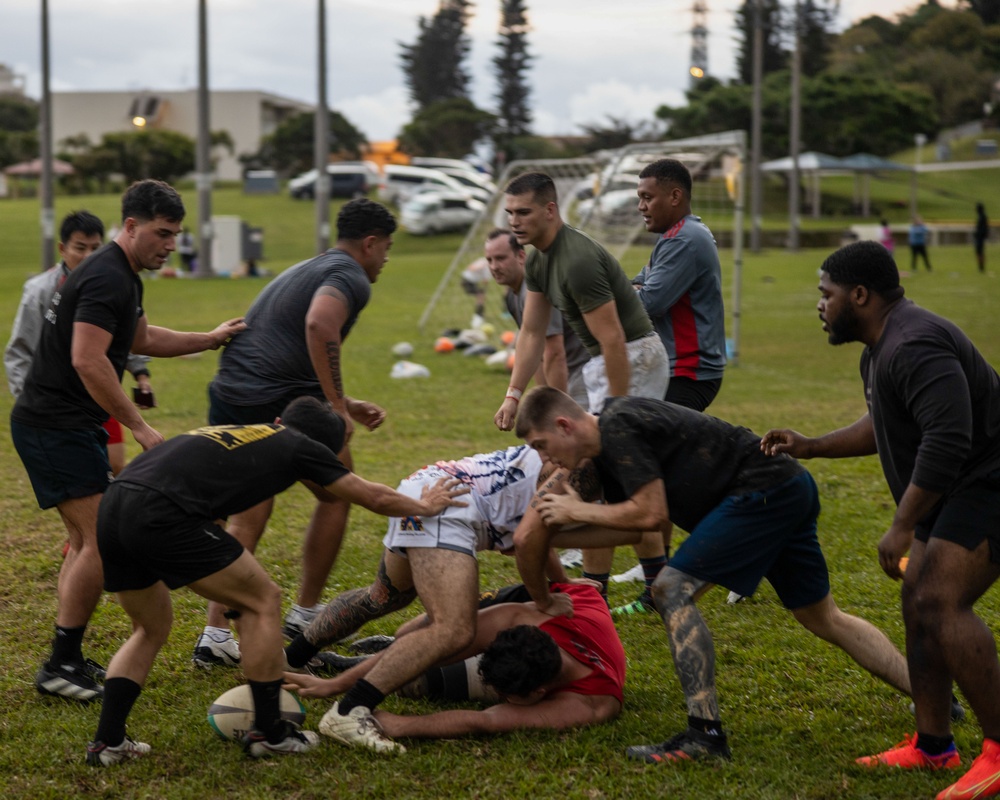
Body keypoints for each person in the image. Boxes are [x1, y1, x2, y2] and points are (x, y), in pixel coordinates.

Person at [513, 387, 915, 765]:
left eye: (541, 446)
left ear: (564, 425)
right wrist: (558, 531)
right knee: (822, 617)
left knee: (669, 590)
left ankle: (704, 735)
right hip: (786, 486)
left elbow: (650, 512)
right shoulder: (606, 446)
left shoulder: (619, 427)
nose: (547, 461)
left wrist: (576, 512)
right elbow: (633, 529)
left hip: (761, 491)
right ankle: (930, 695)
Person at [85, 396, 469, 766]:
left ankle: (108, 742)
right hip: (162, 513)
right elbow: (372, 496)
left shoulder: (248, 430)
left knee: (149, 630)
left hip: (115, 507)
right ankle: (271, 734)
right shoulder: (302, 445)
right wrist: (425, 505)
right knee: (264, 600)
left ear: (283, 420)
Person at [760, 240, 1000, 800]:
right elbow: (887, 423)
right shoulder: (881, 349)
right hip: (965, 484)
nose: (820, 305)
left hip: (989, 481)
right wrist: (812, 445)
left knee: (940, 599)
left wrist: (902, 525)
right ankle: (934, 746)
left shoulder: (914, 344)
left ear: (860, 295)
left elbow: (948, 438)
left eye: (827, 294)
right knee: (917, 598)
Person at [9, 180, 246, 704]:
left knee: (85, 539)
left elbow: (139, 340)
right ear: (132, 226)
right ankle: (59, 662)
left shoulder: (121, 276)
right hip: (54, 426)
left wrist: (207, 338)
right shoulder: (107, 278)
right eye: (162, 234)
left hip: (65, 424)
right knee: (101, 539)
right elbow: (87, 358)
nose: (169, 245)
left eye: (176, 235)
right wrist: (138, 426)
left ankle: (65, 655)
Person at [197, 198, 396, 667]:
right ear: (368, 244)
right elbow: (318, 324)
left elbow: (285, 349)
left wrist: (345, 402)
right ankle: (304, 613)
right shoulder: (350, 277)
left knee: (248, 514)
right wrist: (332, 405)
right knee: (337, 492)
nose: (386, 257)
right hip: (268, 400)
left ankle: (215, 634)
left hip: (233, 389)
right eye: (386, 248)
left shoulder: (314, 266)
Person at [281, 442, 574, 753]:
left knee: (384, 597)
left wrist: (563, 581)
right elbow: (529, 539)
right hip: (448, 506)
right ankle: (348, 711)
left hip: (425, 487)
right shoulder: (577, 463)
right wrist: (546, 598)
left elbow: (541, 532)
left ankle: (291, 658)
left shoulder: (571, 453)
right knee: (453, 628)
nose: (544, 449)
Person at [493, 172, 669, 599]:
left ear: (550, 210)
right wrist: (513, 394)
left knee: (603, 477)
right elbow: (532, 332)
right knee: (607, 480)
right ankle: (637, 587)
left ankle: (619, 590)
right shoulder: (536, 258)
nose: (515, 221)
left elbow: (613, 339)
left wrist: (618, 413)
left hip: (633, 357)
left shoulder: (577, 259)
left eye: (524, 212)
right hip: (603, 361)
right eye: (510, 213)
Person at [607, 158, 730, 615]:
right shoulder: (675, 238)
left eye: (647, 197)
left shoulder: (686, 240)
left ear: (675, 196)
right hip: (680, 369)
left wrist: (623, 295)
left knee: (655, 478)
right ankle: (659, 580)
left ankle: (700, 563)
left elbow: (647, 299)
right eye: (639, 197)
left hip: (689, 371)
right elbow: (639, 286)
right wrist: (633, 290)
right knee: (655, 476)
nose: (641, 206)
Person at [283, 582, 624, 741]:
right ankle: (360, 659)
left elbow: (486, 721)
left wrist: (401, 725)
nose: (504, 701)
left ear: (542, 691)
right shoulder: (518, 616)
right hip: (562, 595)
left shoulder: (591, 704)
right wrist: (336, 687)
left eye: (507, 695)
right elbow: (431, 642)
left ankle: (376, 659)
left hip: (577, 640)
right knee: (415, 635)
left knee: (416, 683)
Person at [4, 210, 156, 476]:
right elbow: (19, 351)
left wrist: (141, 372)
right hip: (56, 406)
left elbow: (121, 336)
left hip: (98, 392)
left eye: (95, 248)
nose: (88, 255)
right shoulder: (40, 290)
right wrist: (34, 405)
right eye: (80, 248)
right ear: (63, 249)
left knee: (115, 465)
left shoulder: (109, 282)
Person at [484, 228, 589, 408]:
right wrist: (544, 398)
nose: (494, 266)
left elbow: (554, 352)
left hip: (585, 369)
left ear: (521, 257)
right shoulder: (512, 296)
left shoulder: (536, 290)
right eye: (490, 260)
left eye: (501, 258)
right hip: (568, 371)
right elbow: (536, 352)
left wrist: (558, 408)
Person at [460, 255, 491, 328]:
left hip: (473, 283)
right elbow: (470, 267)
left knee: (481, 296)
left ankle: (479, 315)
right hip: (467, 281)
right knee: (480, 296)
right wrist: (480, 267)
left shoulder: (490, 267)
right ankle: (478, 315)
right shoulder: (483, 261)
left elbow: (485, 281)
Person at [975, 203, 989, 272]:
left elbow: (983, 228)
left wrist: (978, 235)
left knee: (980, 252)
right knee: (979, 252)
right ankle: (981, 267)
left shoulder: (982, 217)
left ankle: (981, 267)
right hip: (980, 237)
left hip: (980, 238)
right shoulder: (982, 216)